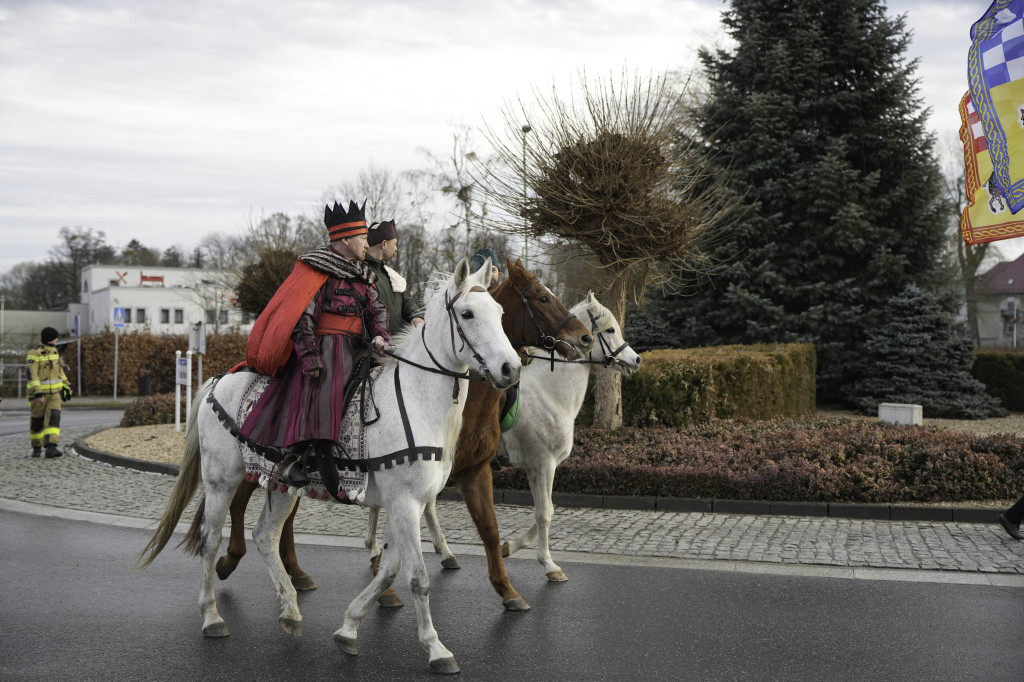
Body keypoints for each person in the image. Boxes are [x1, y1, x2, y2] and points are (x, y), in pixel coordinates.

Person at [239, 199, 391, 499]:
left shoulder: (363, 274)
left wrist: (381, 336)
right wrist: (311, 357)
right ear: (345, 239)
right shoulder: (316, 270)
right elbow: (301, 318)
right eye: (362, 238)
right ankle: (297, 458)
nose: (366, 243)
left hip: (358, 347)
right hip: (323, 348)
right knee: (330, 378)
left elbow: (377, 311)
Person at [364, 219, 424, 334]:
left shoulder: (392, 275)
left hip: (398, 347)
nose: (396, 249)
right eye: (395, 244)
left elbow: (406, 301)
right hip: (372, 346)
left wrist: (416, 316)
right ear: (384, 244)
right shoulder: (361, 271)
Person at [27, 326, 71, 458]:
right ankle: (36, 447)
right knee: (37, 422)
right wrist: (38, 393)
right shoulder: (34, 353)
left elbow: (59, 372)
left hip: (55, 394)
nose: (57, 339)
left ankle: (51, 447)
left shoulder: (55, 352)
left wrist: (66, 386)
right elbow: (32, 375)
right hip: (38, 395)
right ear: (50, 338)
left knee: (54, 418)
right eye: (55, 337)